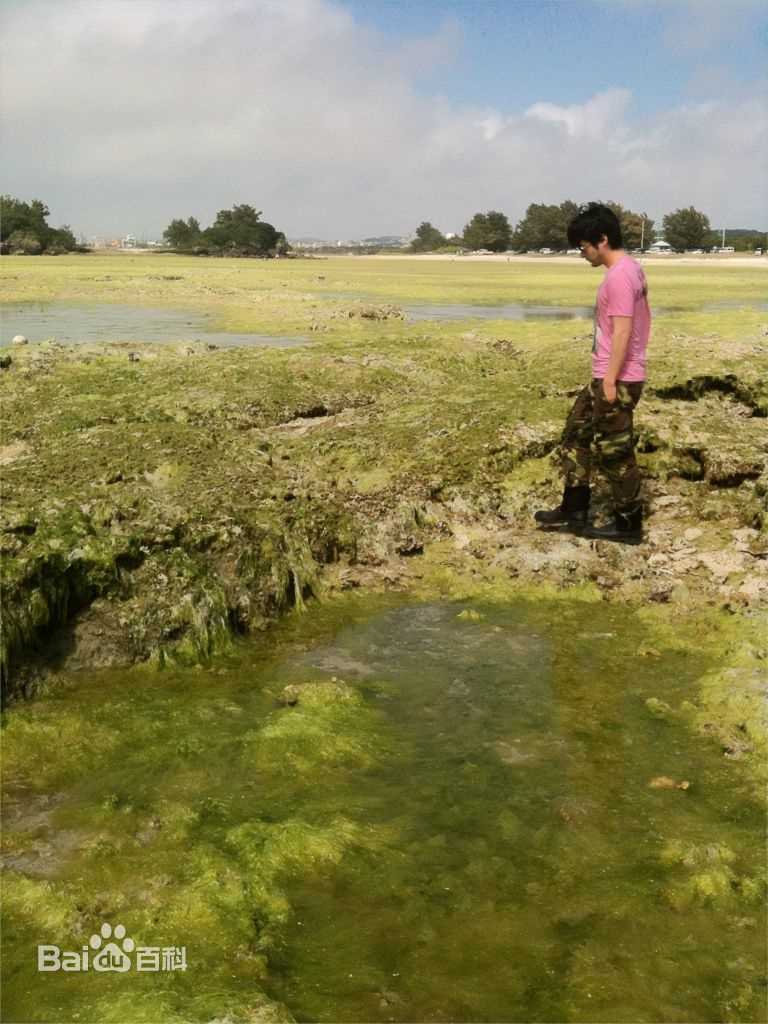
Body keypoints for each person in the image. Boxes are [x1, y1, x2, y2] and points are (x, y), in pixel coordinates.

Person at [535, 203, 650, 544]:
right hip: (607, 374)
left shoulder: (619, 276)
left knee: (615, 450)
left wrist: (610, 380)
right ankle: (574, 509)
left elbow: (623, 331)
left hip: (618, 377)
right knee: (577, 433)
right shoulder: (629, 268)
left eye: (583, 247)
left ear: (602, 240)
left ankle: (628, 525)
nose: (582, 254)